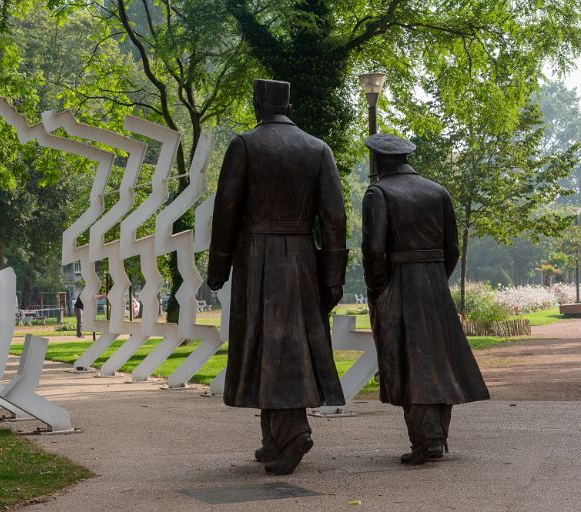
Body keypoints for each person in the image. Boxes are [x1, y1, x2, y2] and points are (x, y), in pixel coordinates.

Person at [207, 79, 348, 476]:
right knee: (286, 343)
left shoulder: (245, 145)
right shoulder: (317, 149)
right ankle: (273, 437)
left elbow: (227, 211)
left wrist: (218, 268)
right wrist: (333, 273)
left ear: (257, 102)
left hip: (257, 258)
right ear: (288, 103)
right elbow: (334, 217)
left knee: (270, 343)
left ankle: (293, 435)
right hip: (303, 258)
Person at [361, 133, 490, 465]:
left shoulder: (378, 193)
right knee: (437, 360)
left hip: (399, 283)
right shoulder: (438, 191)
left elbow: (374, 249)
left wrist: (378, 288)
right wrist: (435, 277)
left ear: (377, 161)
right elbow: (452, 248)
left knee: (409, 359)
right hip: (434, 283)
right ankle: (435, 435)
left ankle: (427, 439)